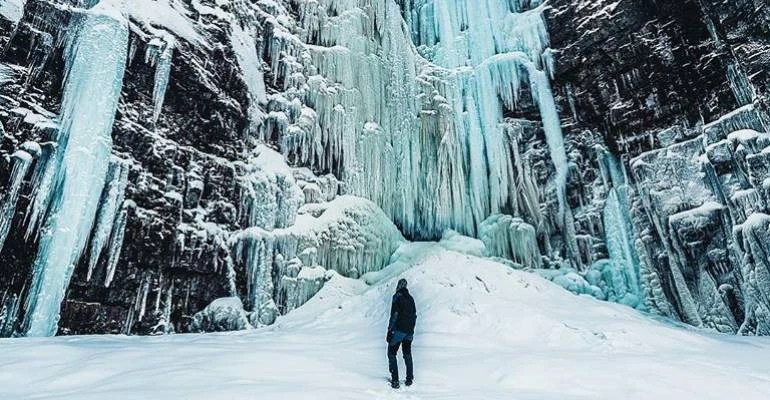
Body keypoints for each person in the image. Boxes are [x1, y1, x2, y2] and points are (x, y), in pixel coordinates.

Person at [386, 278, 416, 389]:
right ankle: (409, 380)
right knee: (407, 353)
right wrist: (411, 330)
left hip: (399, 330)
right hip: (409, 331)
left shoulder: (397, 297)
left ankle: (395, 381)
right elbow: (414, 315)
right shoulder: (411, 299)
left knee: (391, 352)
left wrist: (390, 330)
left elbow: (394, 315)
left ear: (399, 286)